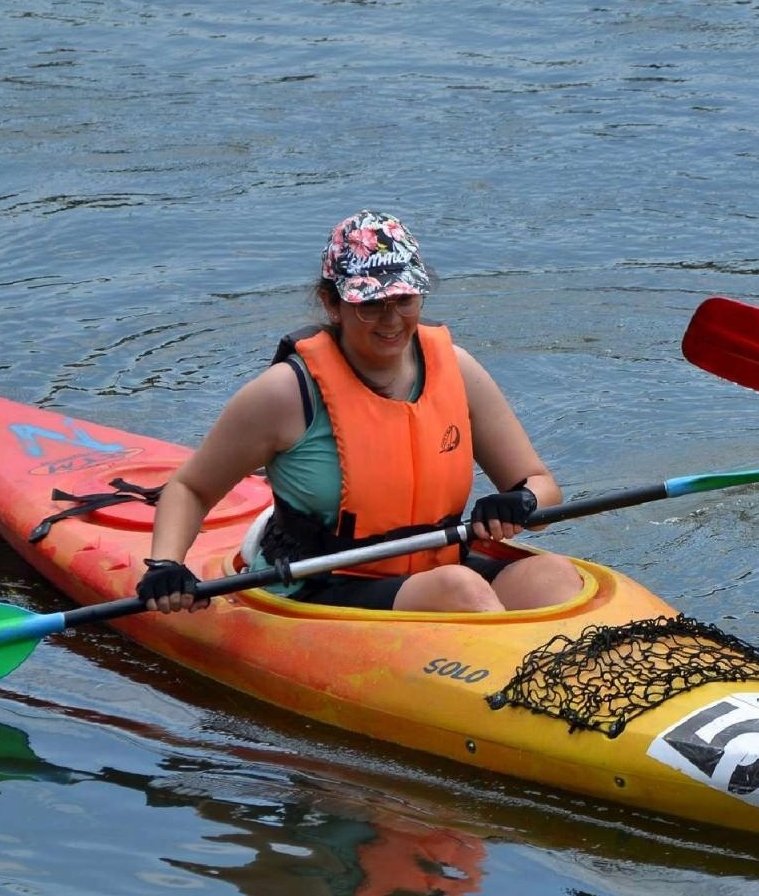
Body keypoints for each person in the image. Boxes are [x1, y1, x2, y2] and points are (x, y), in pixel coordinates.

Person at [138, 209, 584, 614]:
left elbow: (541, 485)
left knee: (555, 578)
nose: (391, 321)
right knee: (458, 591)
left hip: (444, 570)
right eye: (370, 304)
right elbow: (191, 488)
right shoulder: (286, 393)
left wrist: (520, 501)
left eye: (404, 299)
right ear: (332, 304)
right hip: (322, 585)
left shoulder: (458, 370)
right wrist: (166, 565)